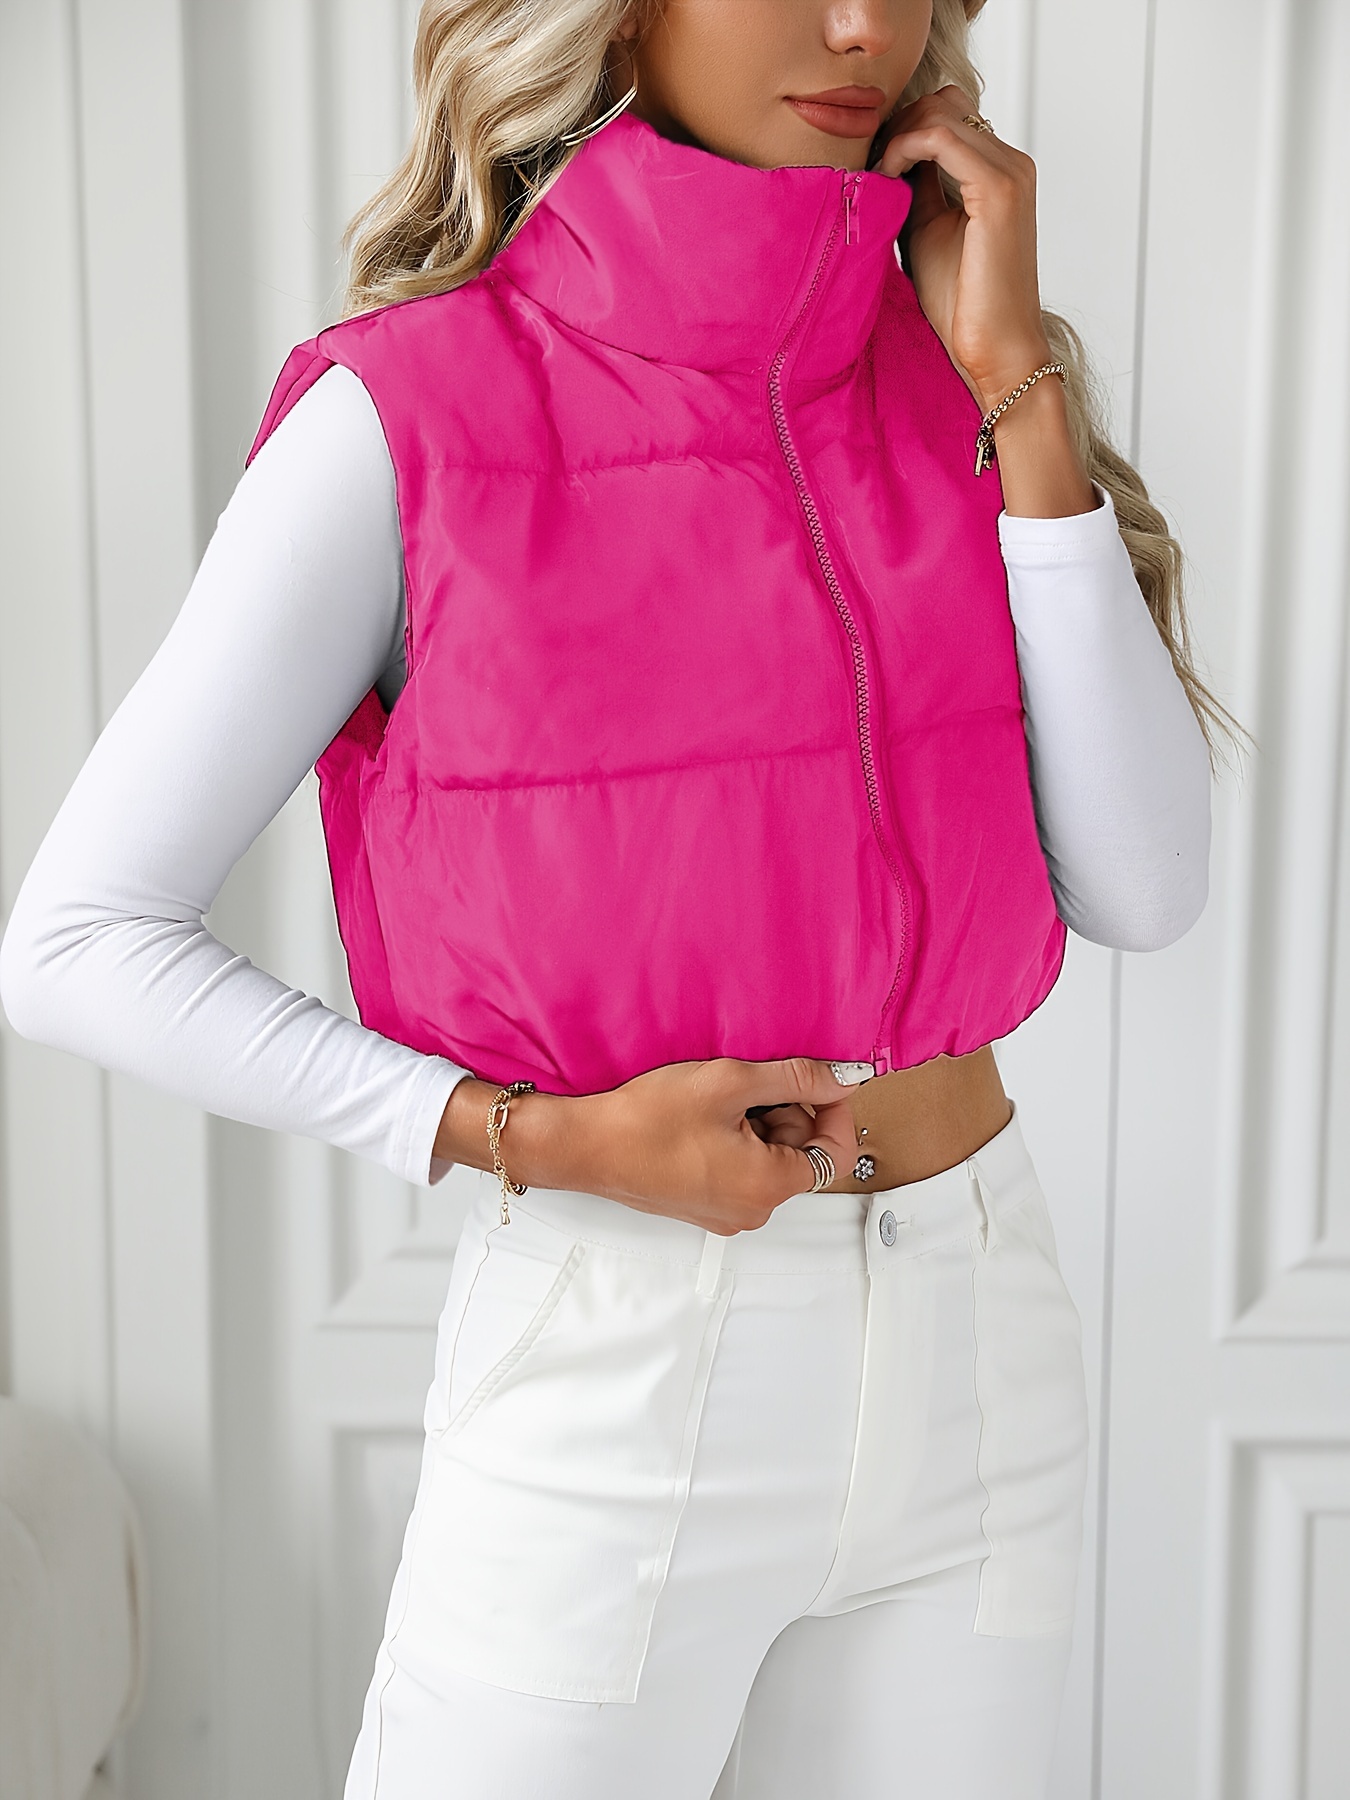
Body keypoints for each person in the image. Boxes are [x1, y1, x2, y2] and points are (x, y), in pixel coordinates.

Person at [0, 2, 1224, 1795]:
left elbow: (1143, 883)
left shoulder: (956, 370)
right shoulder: (408, 409)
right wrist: (537, 1141)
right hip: (622, 1364)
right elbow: (75, 942)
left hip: (979, 1345)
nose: (860, 25)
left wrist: (1017, 388)